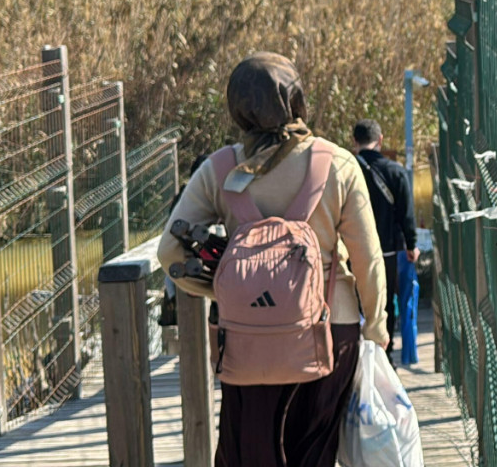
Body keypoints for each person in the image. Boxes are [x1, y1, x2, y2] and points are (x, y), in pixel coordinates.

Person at [158, 53, 388, 467]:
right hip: (329, 329)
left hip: (247, 333)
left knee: (250, 451)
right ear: (297, 99)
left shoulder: (219, 169)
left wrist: (234, 288)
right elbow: (367, 258)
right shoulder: (337, 163)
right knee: (312, 453)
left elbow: (169, 253)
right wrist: (375, 325)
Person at [351, 118, 417, 361]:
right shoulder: (396, 172)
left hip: (353, 250)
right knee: (385, 302)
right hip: (386, 250)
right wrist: (411, 245)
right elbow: (406, 213)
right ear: (380, 140)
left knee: (354, 301)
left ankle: (357, 355)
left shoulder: (349, 170)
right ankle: (384, 354)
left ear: (354, 141)